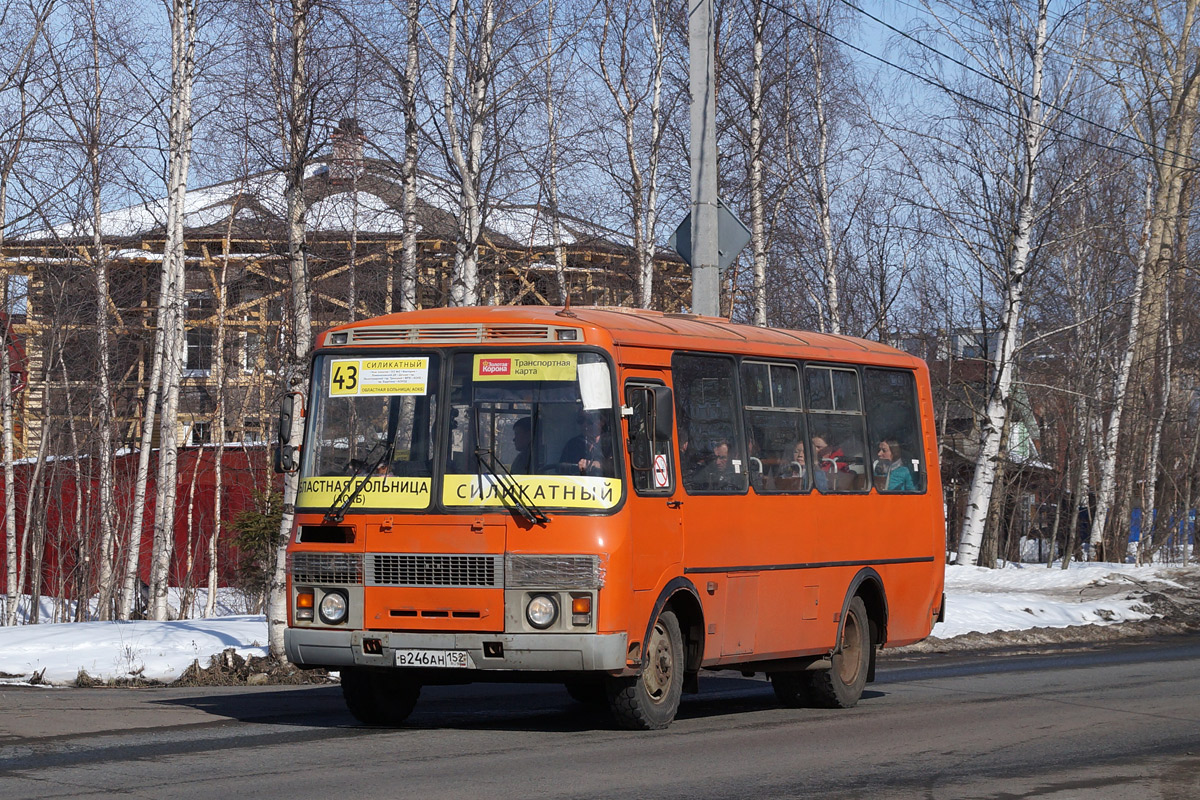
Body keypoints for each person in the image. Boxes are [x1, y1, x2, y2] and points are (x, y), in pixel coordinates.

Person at [560, 412, 609, 476]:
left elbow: (616, 466)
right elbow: (561, 469)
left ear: (602, 422)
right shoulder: (573, 444)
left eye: (589, 421)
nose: (585, 425)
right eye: (581, 421)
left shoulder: (612, 442)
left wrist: (594, 464)